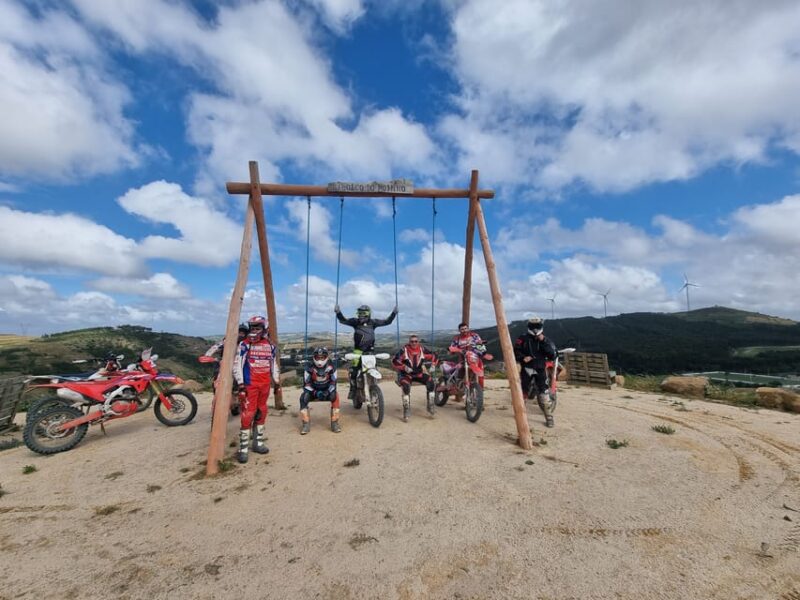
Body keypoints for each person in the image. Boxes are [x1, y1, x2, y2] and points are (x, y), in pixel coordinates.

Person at [233, 315, 275, 463]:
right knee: (248, 413)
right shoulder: (244, 345)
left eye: (257, 328)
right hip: (250, 385)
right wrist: (241, 384)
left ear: (264, 329)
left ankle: (258, 443)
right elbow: (237, 364)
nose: (254, 330)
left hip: (265, 385)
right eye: (252, 328)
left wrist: (276, 382)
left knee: (262, 411)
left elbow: (273, 365)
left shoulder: (270, 346)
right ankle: (243, 449)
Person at [335, 303, 397, 400]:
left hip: (370, 352)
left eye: (363, 313)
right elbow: (343, 320)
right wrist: (338, 312)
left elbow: (387, 322)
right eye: (359, 313)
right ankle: (352, 390)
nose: (361, 315)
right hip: (357, 352)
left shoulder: (373, 322)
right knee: (353, 371)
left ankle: (373, 387)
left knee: (373, 368)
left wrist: (394, 313)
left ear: (368, 313)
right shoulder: (355, 322)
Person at [513, 316, 557, 427]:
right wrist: (523, 357)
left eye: (537, 326)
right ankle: (520, 413)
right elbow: (515, 351)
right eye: (533, 326)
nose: (535, 328)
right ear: (529, 326)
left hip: (540, 369)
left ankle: (549, 416)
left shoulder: (545, 339)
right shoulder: (522, 338)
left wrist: (543, 341)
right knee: (523, 392)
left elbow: (552, 354)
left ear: (541, 326)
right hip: (527, 368)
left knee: (544, 393)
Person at [204, 323, 249, 416]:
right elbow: (215, 347)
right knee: (216, 378)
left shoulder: (246, 344)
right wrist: (207, 356)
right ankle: (217, 397)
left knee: (241, 383)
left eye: (243, 333)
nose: (241, 334)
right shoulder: (227, 341)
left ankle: (238, 402)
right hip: (224, 364)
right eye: (239, 332)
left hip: (238, 366)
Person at [392, 335, 437, 421]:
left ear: (418, 342)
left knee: (431, 383)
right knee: (406, 387)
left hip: (419, 374)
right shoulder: (404, 350)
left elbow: (434, 355)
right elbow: (395, 360)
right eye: (412, 341)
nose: (414, 343)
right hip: (406, 375)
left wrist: (433, 364)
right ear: (409, 342)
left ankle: (430, 406)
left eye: (416, 341)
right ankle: (406, 409)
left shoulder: (422, 349)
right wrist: (404, 367)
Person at [299, 347, 341, 435]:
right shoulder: (308, 367)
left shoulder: (332, 366)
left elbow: (334, 383)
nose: (319, 360)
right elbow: (306, 384)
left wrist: (328, 392)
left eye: (322, 358)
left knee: (335, 396)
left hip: (327, 390)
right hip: (313, 391)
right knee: (303, 397)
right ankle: (305, 424)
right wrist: (315, 392)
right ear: (314, 357)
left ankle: (335, 423)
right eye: (318, 357)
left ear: (326, 357)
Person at [449, 322, 488, 389]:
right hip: (463, 358)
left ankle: (480, 391)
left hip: (475, 358)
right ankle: (458, 384)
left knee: (481, 374)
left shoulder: (474, 335)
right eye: (462, 329)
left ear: (468, 329)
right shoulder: (457, 338)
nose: (464, 330)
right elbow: (452, 347)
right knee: (460, 370)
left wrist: (482, 349)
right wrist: (452, 350)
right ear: (459, 330)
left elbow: (480, 344)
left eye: (466, 328)